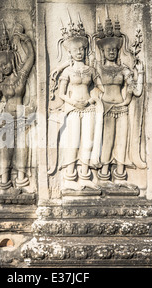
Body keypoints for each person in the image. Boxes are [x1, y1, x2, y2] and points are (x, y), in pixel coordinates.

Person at [53, 15, 104, 191]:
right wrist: (73, 102)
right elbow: (61, 93)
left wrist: (91, 100)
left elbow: (100, 88)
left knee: (87, 142)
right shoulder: (67, 71)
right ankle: (69, 177)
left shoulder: (91, 70)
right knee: (73, 141)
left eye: (82, 49)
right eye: (76, 50)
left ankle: (84, 175)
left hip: (88, 108)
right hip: (73, 109)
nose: (79, 52)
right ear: (70, 53)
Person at [94, 16, 145, 184]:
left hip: (122, 108)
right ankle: (104, 173)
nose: (111, 52)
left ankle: (121, 174)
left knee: (122, 141)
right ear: (102, 51)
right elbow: (92, 87)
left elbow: (136, 90)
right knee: (107, 141)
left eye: (114, 49)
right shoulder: (98, 68)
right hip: (106, 108)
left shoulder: (124, 69)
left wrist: (141, 72)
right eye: (108, 49)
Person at [0, 24, 35, 193]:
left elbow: (31, 57)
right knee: (6, 153)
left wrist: (22, 37)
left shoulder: (21, 76)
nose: (3, 67)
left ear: (11, 60)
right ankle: (5, 186)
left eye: (5, 63)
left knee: (22, 150)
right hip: (6, 118)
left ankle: (22, 183)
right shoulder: (0, 84)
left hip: (21, 116)